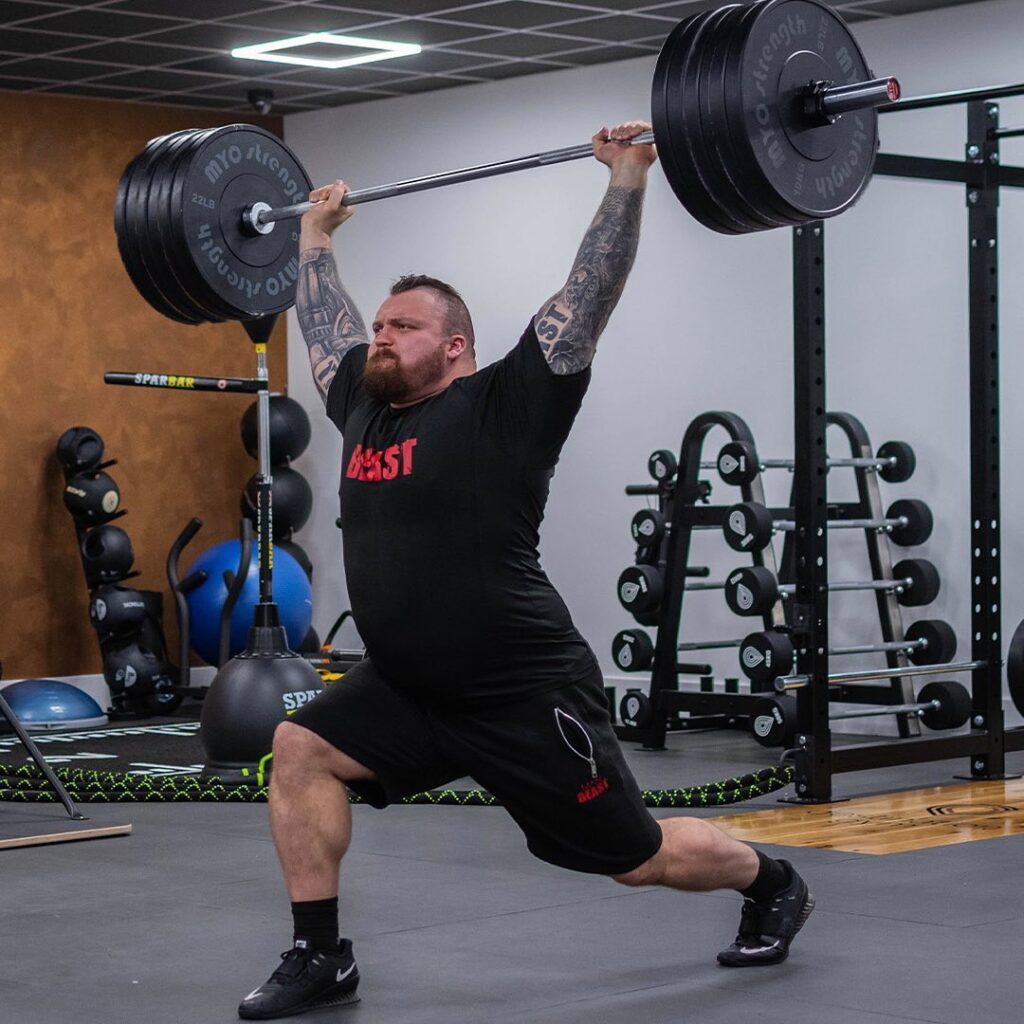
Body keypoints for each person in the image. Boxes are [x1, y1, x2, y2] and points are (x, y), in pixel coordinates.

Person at [238, 121, 814, 1021]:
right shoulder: (361, 406)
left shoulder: (508, 404)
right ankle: (322, 954)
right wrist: (315, 236)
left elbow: (589, 294)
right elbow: (326, 322)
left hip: (520, 689)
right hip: (413, 689)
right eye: (381, 326)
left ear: (457, 345)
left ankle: (772, 880)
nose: (380, 339)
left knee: (632, 859)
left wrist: (626, 176)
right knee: (300, 749)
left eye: (405, 328)